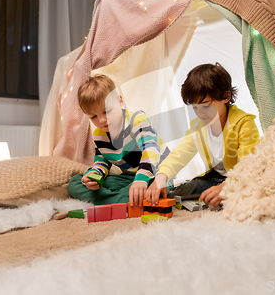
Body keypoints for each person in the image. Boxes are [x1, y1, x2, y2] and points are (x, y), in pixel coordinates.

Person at [145, 63, 260, 206]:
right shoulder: (198, 128)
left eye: (206, 105)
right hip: (215, 178)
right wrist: (161, 178)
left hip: (243, 178)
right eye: (195, 107)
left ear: (225, 96)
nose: (200, 113)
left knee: (240, 198)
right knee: (179, 193)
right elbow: (179, 155)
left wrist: (227, 187)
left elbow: (249, 166)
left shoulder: (244, 123)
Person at [68, 74, 171, 206]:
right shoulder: (99, 134)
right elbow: (102, 162)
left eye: (107, 111)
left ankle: (118, 199)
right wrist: (94, 174)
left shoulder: (136, 120)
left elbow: (151, 150)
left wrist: (141, 179)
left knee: (145, 187)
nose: (102, 120)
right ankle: (123, 199)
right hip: (130, 178)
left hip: (157, 175)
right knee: (75, 183)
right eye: (93, 116)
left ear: (120, 101)